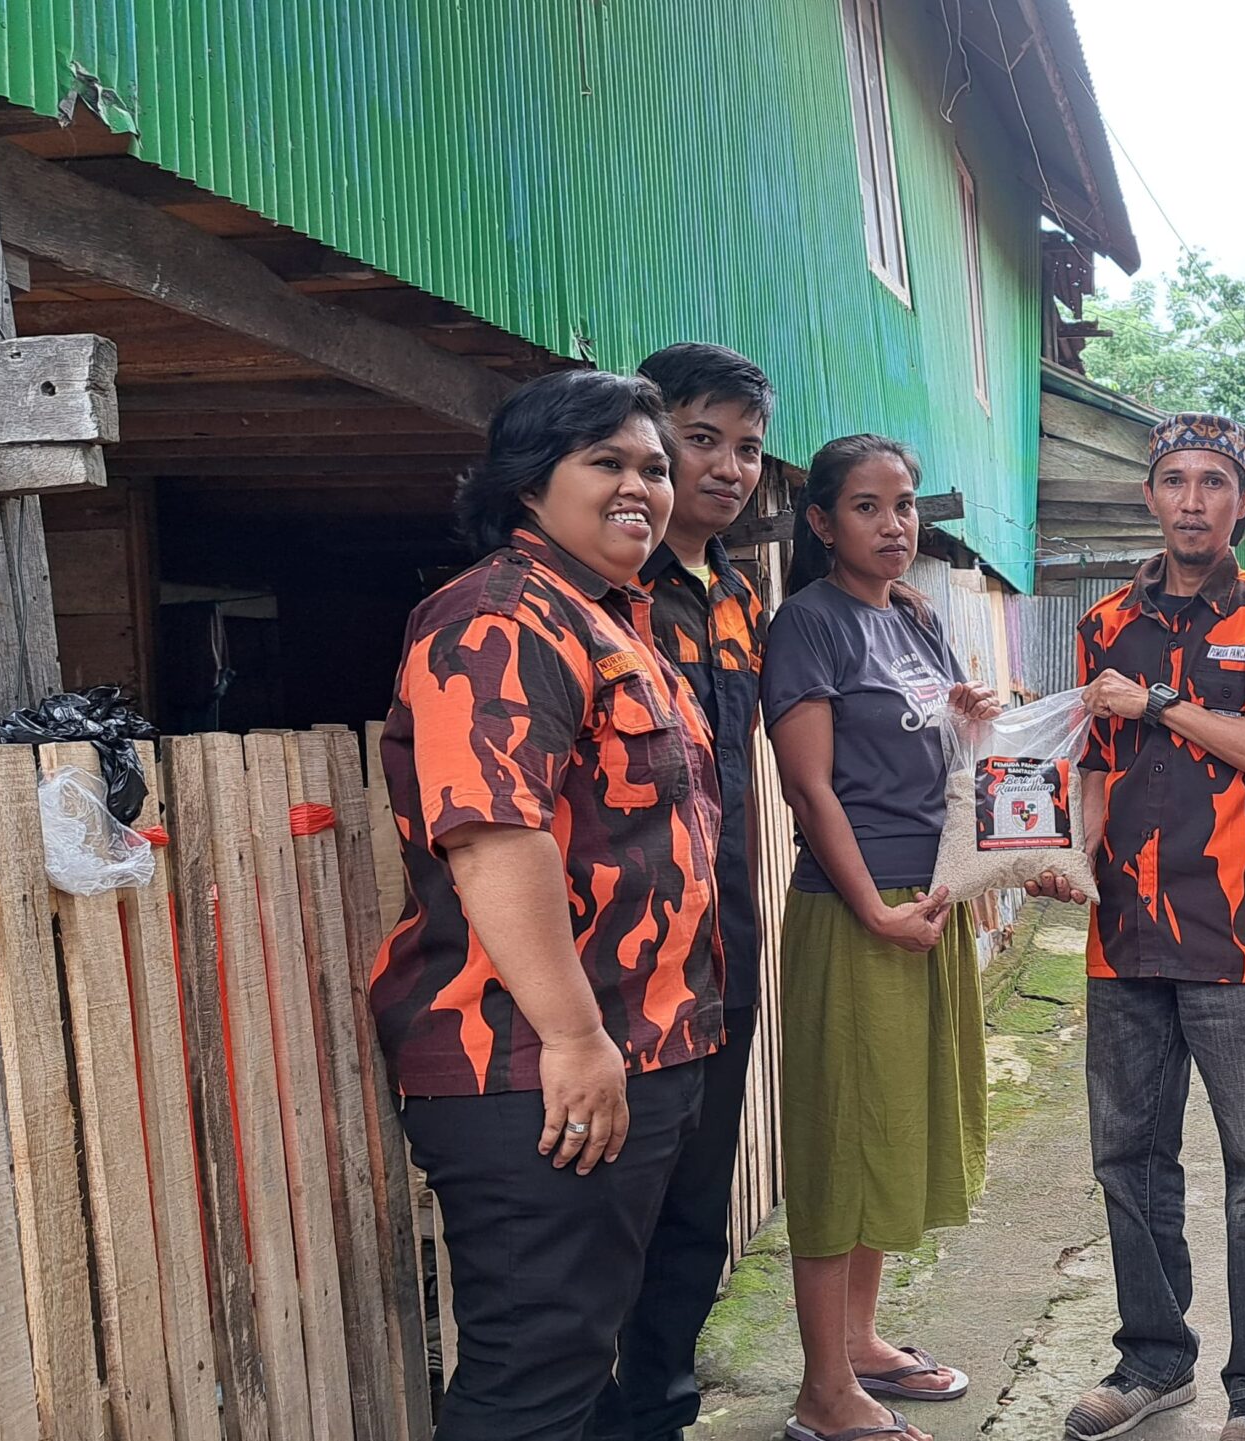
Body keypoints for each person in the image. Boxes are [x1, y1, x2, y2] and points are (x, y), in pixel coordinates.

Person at [370, 368, 725, 1439]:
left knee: (589, 1364)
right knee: (533, 1377)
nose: (641, 487)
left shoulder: (617, 620)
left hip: (635, 1051)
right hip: (528, 1066)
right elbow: (491, 836)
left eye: (654, 468)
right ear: (531, 483)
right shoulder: (496, 616)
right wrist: (574, 1037)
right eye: (605, 462)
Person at [1039, 414, 1245, 1441]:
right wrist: (1063, 855)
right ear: (1149, 496)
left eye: (1214, 481)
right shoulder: (1106, 620)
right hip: (1124, 938)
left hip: (1237, 935)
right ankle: (1153, 1360)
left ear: (1244, 498)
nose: (1194, 499)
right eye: (1174, 480)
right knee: (1129, 1159)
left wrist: (1159, 700)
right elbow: (1095, 767)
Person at [761, 434, 999, 1441]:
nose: (893, 523)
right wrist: (870, 908)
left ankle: (858, 1343)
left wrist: (974, 716)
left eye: (904, 504)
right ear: (821, 524)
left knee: (892, 1129)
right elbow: (808, 787)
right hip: (855, 909)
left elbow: (945, 758)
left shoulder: (915, 618)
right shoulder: (809, 624)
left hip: (924, 900)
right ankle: (822, 1394)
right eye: (866, 506)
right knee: (840, 1141)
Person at [594, 342, 778, 1441]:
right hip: (617, 961)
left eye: (747, 447)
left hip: (725, 943)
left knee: (696, 1215)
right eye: (700, 440)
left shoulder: (734, 596)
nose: (726, 467)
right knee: (608, 1221)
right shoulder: (606, 589)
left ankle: (659, 1411)